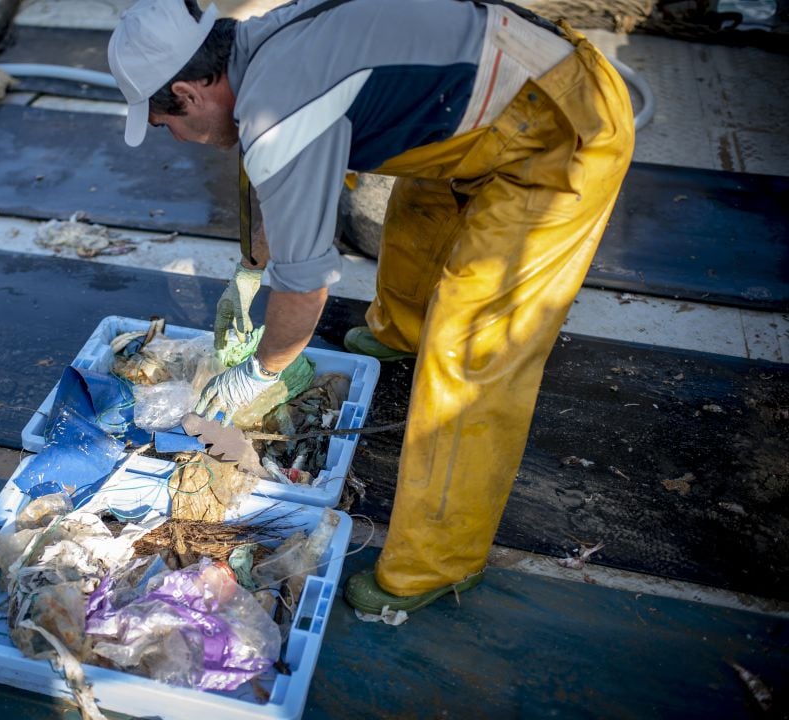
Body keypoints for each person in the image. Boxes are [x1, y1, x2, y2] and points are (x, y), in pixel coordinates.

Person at [108, 0, 634, 614]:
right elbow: (280, 183)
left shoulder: (279, 113)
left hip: (562, 128)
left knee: (473, 348)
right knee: (419, 216)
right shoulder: (256, 50)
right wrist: (251, 274)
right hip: (482, 108)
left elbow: (305, 286)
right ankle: (402, 331)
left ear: (188, 93)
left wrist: (262, 371)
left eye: (165, 123)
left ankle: (434, 563)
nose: (177, 139)